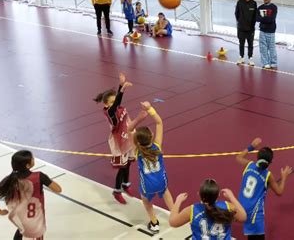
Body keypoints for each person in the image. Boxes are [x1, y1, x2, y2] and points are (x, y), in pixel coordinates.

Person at [93, 73, 147, 204]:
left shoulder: (117, 107)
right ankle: (116, 191)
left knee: (128, 163)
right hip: (118, 141)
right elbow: (117, 101)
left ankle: (125, 185)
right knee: (122, 167)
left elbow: (117, 100)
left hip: (127, 137)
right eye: (111, 102)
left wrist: (121, 85)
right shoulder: (109, 112)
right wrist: (122, 88)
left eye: (114, 101)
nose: (114, 103)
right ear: (106, 104)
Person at [0, 150, 62, 240]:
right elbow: (58, 189)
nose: (34, 159)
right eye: (32, 159)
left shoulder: (9, 180)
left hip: (19, 220)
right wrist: (46, 179)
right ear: (27, 165)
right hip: (35, 222)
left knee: (21, 230)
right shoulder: (39, 176)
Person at [236, 138, 292, 240]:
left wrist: (251, 146)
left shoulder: (249, 165)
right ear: (271, 161)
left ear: (257, 157)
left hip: (239, 207)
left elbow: (238, 157)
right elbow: (279, 192)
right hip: (254, 214)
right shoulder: (268, 175)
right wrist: (284, 177)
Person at [134, 101, 174, 233]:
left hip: (148, 184)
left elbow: (129, 129)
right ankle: (175, 214)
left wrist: (139, 119)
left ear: (137, 142)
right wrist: (150, 108)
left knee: (146, 201)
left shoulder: (137, 151)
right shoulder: (157, 146)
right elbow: (159, 122)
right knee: (166, 192)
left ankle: (154, 222)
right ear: (151, 137)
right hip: (162, 180)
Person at [169, 179, 247, 240]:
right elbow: (243, 217)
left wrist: (178, 201)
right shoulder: (227, 206)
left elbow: (173, 222)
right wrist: (232, 197)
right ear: (218, 195)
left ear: (199, 194)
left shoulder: (192, 210)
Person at [235, 0, 257, 66]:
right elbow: (236, 14)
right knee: (241, 43)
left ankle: (250, 58)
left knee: (250, 44)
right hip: (241, 28)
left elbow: (255, 16)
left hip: (250, 29)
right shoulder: (239, 2)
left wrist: (252, 25)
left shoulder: (254, 3)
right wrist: (240, 22)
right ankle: (241, 57)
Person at [257, 0, 278, 69]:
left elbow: (271, 19)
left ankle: (273, 62)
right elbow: (257, 19)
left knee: (272, 47)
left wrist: (263, 17)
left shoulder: (274, 7)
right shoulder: (259, 8)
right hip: (262, 31)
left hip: (271, 31)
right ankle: (265, 63)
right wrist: (266, 17)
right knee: (263, 48)